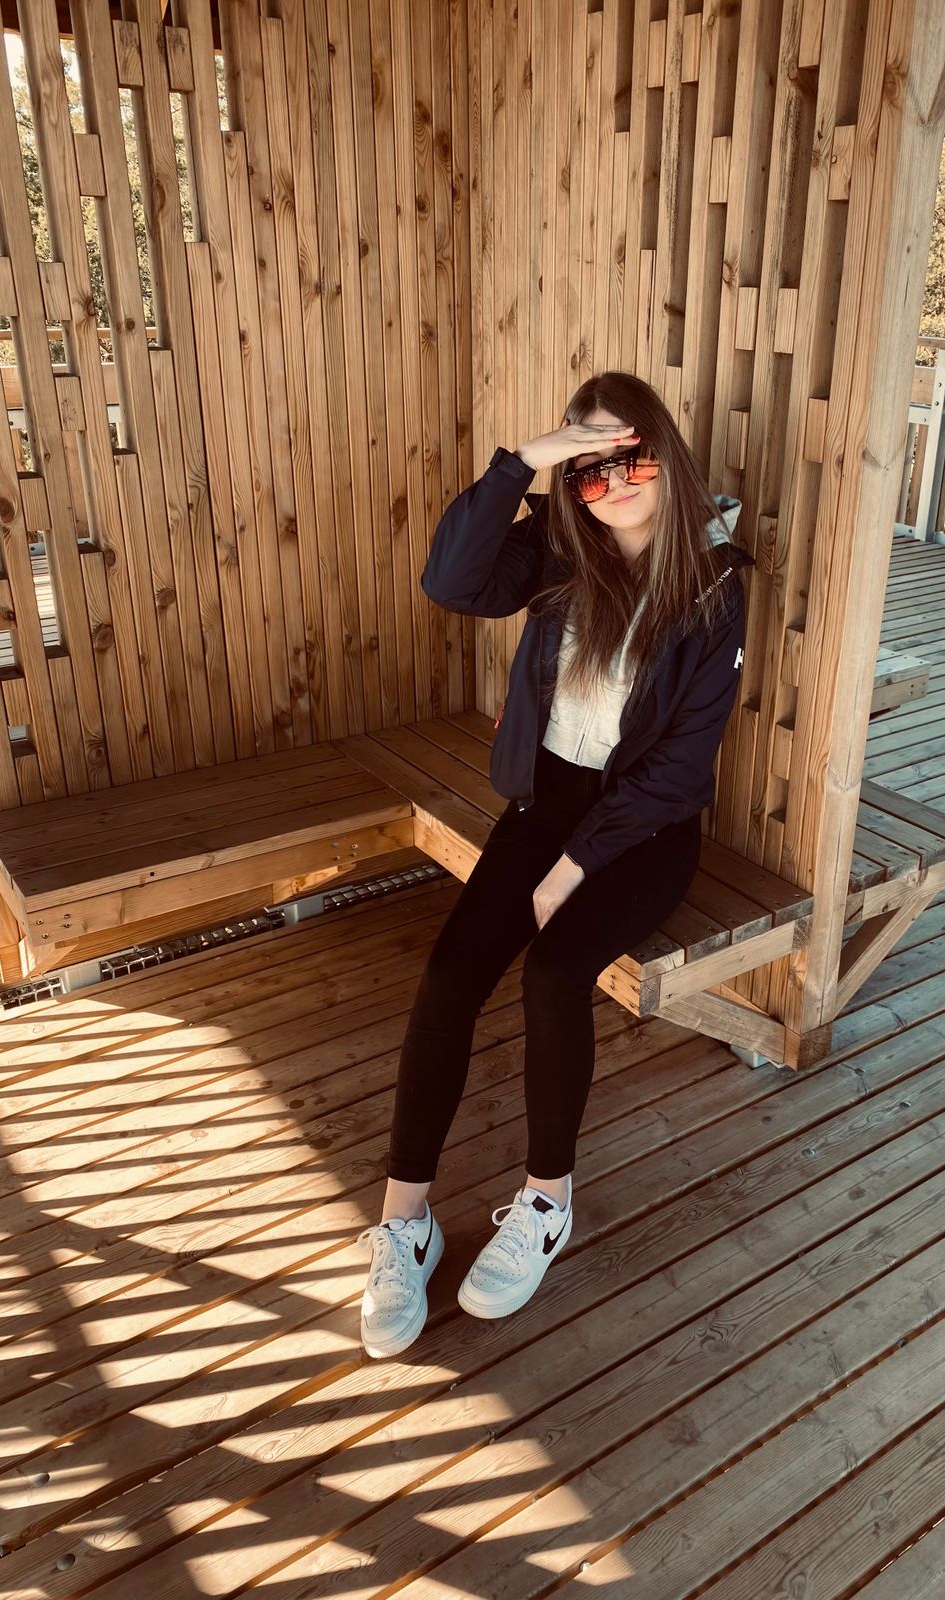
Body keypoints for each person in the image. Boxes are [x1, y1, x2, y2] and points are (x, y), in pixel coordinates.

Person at [357, 369, 754, 1358]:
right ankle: (406, 1220)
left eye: (631, 459)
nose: (612, 484)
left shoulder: (712, 585)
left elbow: (677, 769)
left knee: (554, 972)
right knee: (449, 976)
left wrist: (572, 867)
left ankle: (546, 1200)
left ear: (668, 457)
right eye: (588, 468)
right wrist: (520, 464)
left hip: (643, 832)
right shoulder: (558, 554)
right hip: (544, 805)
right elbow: (450, 582)